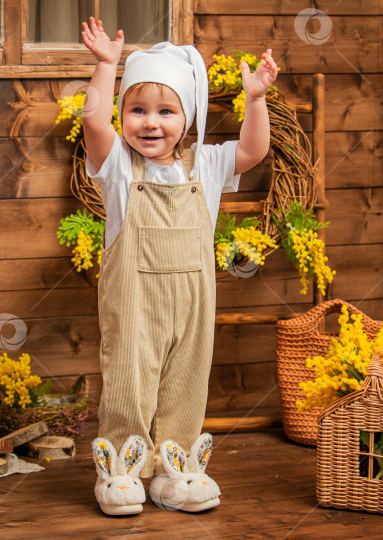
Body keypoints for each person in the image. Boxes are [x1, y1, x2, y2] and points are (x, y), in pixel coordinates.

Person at [80, 17, 277, 514]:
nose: (151, 122)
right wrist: (106, 67)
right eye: (138, 109)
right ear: (123, 113)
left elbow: (254, 150)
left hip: (192, 303)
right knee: (129, 377)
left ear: (187, 117)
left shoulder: (205, 166)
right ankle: (121, 474)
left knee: (187, 380)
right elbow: (92, 124)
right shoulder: (120, 169)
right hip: (134, 304)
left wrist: (255, 100)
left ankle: (174, 471)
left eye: (166, 111)